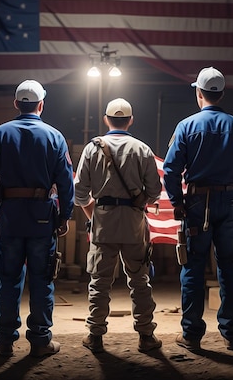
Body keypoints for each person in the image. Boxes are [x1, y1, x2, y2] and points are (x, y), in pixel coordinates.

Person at [162, 67, 233, 351]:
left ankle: (192, 335)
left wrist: (177, 202)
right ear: (221, 94)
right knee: (229, 266)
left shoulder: (187, 126)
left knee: (193, 267)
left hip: (197, 203)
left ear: (199, 93)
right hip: (230, 202)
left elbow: (171, 170)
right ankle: (232, 334)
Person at [0, 79, 74, 358]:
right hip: (42, 218)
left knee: (8, 280)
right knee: (42, 280)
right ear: (41, 105)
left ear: (16, 104)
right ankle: (40, 340)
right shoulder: (54, 136)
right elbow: (66, 182)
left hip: (9, 216)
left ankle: (5, 342)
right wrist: (64, 216)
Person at [74, 98, 163, 354]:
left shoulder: (93, 148)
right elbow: (155, 191)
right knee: (140, 280)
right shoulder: (142, 149)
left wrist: (93, 214)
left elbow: (80, 193)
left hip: (103, 220)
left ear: (106, 119)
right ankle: (146, 335)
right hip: (134, 222)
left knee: (100, 281)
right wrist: (139, 201)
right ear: (131, 121)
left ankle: (95, 335)